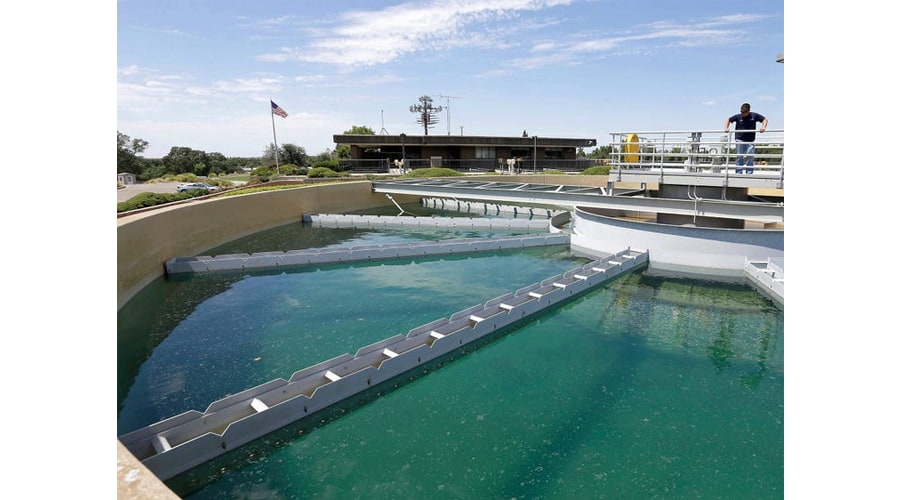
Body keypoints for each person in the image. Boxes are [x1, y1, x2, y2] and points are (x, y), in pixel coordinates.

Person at [724, 103, 767, 174]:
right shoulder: (738, 117)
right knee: (739, 157)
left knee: (750, 157)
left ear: (748, 111)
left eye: (744, 112)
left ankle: (749, 173)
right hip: (740, 139)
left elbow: (764, 119)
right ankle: (738, 173)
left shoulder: (754, 116)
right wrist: (726, 128)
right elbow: (728, 120)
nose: (742, 114)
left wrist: (763, 127)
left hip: (750, 140)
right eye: (741, 112)